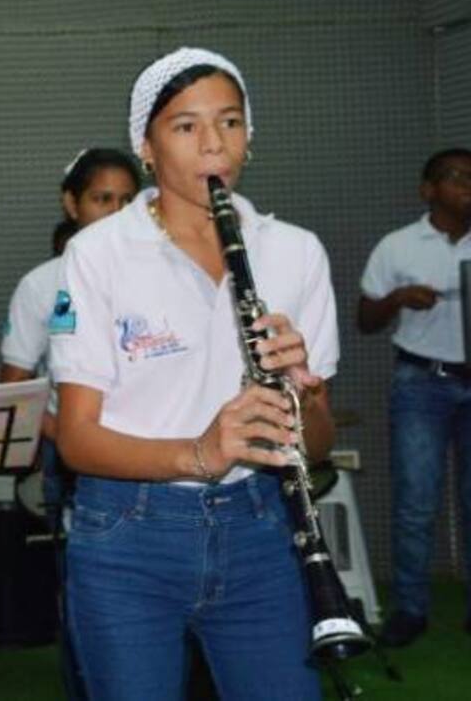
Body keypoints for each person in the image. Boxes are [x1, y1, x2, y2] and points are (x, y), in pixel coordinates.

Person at [50, 47, 338, 700]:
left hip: (260, 522)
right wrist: (201, 453)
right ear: (145, 147)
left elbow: (314, 446)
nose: (214, 144)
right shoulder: (98, 255)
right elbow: (75, 438)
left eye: (230, 122)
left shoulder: (294, 251)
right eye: (186, 126)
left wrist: (305, 394)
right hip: (127, 535)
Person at [0, 148, 140, 700]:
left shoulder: (170, 269)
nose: (116, 211)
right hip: (78, 462)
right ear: (71, 204)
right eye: (102, 199)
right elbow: (15, 388)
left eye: (128, 200)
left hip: (165, 459)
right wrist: (74, 436)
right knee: (90, 604)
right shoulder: (43, 284)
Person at [357, 147, 471, 647]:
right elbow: (365, 320)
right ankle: (410, 609)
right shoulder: (398, 247)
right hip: (422, 383)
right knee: (415, 503)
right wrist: (399, 299)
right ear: (428, 189)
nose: (467, 185)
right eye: (456, 177)